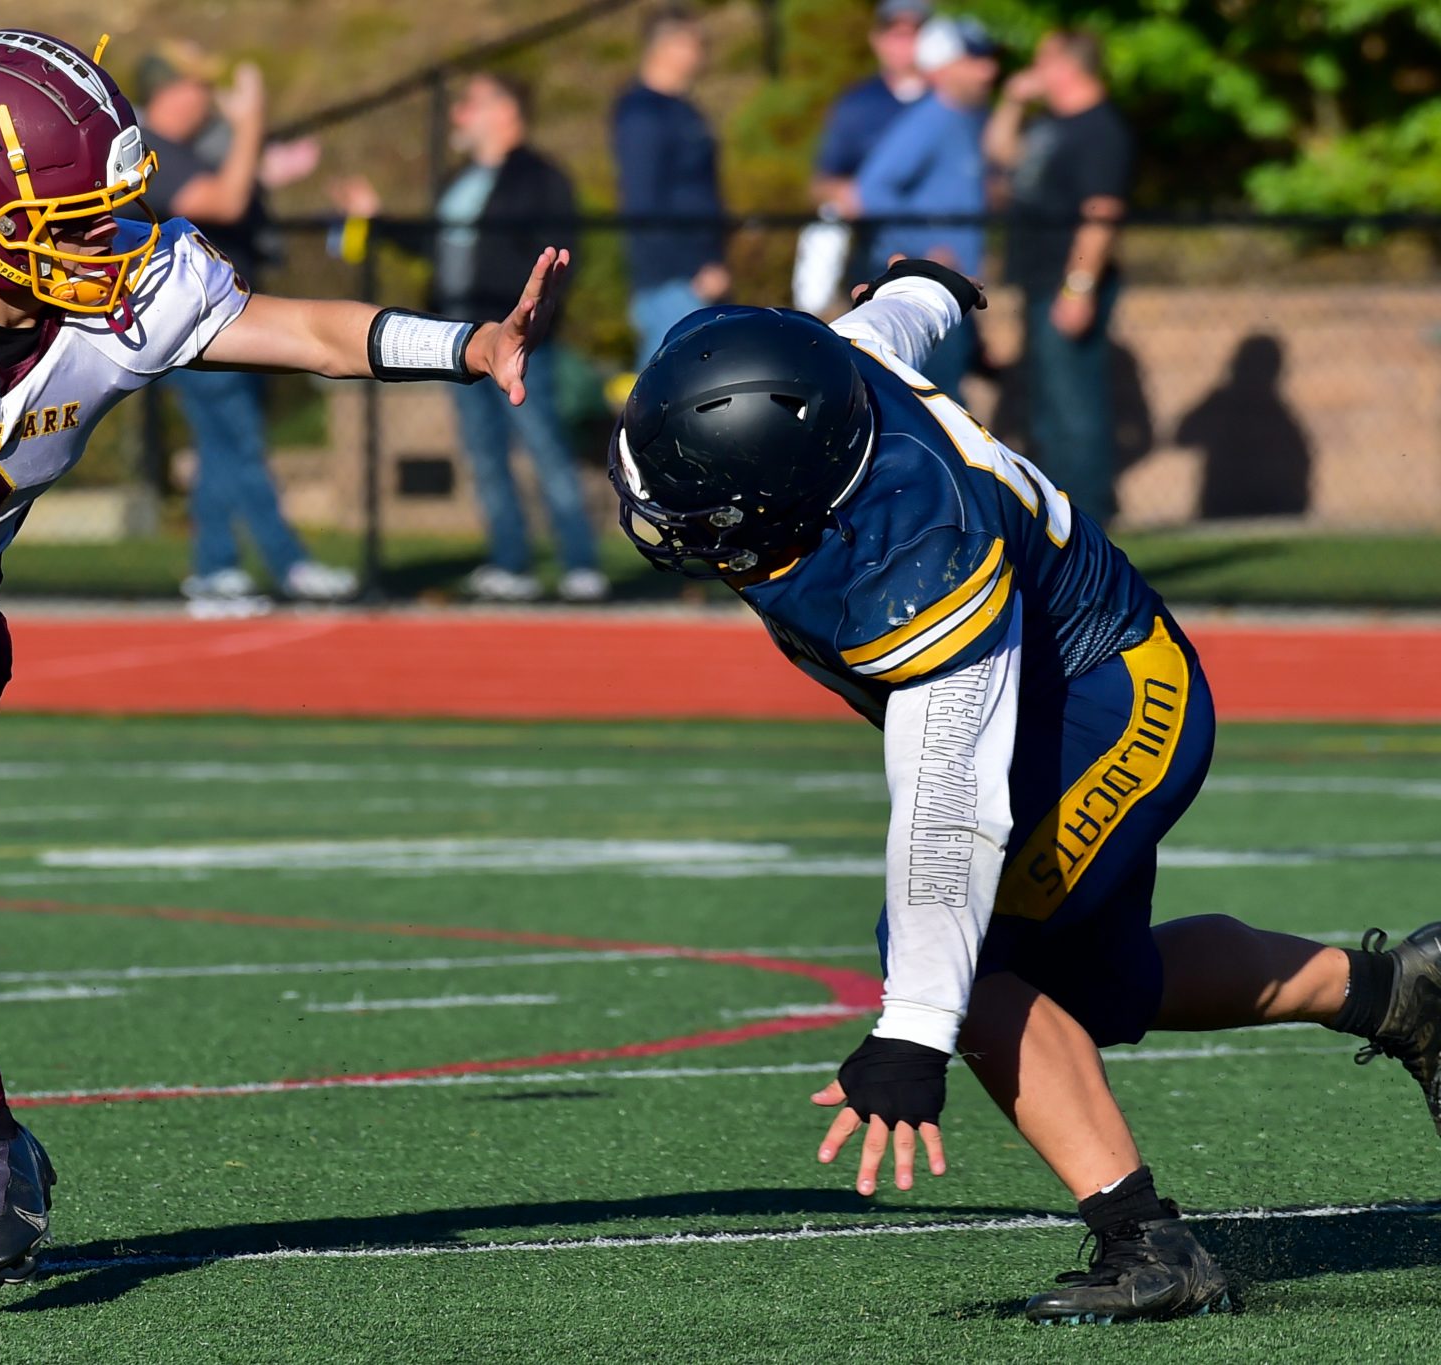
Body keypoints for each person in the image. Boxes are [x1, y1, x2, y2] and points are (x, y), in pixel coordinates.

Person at [0, 28, 567, 1288]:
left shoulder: (137, 294)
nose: (109, 249)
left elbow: (306, 333)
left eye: (112, 215)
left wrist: (466, 345)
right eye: (71, 222)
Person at [607, 259, 1441, 1322]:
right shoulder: (837, 373)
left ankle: (1145, 1243)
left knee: (978, 963)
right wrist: (929, 283)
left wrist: (912, 1027)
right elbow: (886, 324)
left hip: (1111, 702)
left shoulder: (917, 558)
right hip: (1074, 690)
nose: (665, 515)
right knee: (1099, 994)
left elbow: (946, 810)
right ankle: (1393, 994)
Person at [331, 73, 603, 603]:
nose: (459, 114)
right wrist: (376, 221)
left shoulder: (540, 179)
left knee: (546, 449)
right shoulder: (461, 181)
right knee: (483, 456)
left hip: (519, 344)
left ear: (506, 111)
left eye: (471, 103)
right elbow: (434, 247)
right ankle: (511, 564)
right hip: (460, 343)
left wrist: (528, 323)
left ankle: (581, 565)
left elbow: (559, 258)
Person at [136, 41, 355, 609]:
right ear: (171, 92)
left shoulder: (184, 148)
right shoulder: (149, 152)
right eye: (198, 87)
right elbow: (225, 203)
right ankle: (288, 564)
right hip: (197, 326)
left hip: (222, 319)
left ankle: (215, 571)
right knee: (240, 447)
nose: (207, 98)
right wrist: (251, 122)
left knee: (221, 451)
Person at [986, 28, 1133, 524]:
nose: (1034, 70)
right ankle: (1057, 519)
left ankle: (1089, 522)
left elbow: (1101, 212)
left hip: (1067, 282)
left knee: (1074, 408)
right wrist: (1010, 103)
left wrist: (1078, 288)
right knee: (1047, 405)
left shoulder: (1100, 129)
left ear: (1068, 66)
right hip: (1037, 280)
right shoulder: (1051, 124)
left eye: (1043, 60)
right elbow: (1001, 154)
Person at [852, 16, 998, 393]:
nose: (989, 70)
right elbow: (872, 188)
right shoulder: (931, 120)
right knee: (936, 404)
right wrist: (923, 250)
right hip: (925, 291)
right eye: (975, 60)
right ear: (944, 66)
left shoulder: (967, 118)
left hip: (947, 290)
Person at [611, 5, 728, 371]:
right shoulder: (643, 114)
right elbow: (643, 204)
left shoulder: (683, 109)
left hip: (696, 275)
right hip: (673, 280)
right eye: (696, 42)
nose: (703, 52)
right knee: (667, 388)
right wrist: (691, 269)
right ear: (668, 46)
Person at [810, 0, 931, 293]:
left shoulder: (951, 101)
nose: (906, 44)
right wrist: (851, 195)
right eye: (896, 34)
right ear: (877, 40)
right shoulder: (857, 105)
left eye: (914, 33)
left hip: (941, 256)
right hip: (876, 254)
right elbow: (823, 182)